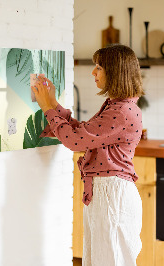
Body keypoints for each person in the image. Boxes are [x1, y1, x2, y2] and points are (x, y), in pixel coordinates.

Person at [32, 44, 144, 266]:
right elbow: (83, 133)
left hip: (112, 195)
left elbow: (75, 141)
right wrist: (53, 103)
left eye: (99, 67)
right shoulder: (117, 106)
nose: (93, 72)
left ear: (115, 72)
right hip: (107, 193)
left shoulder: (121, 111)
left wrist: (47, 108)